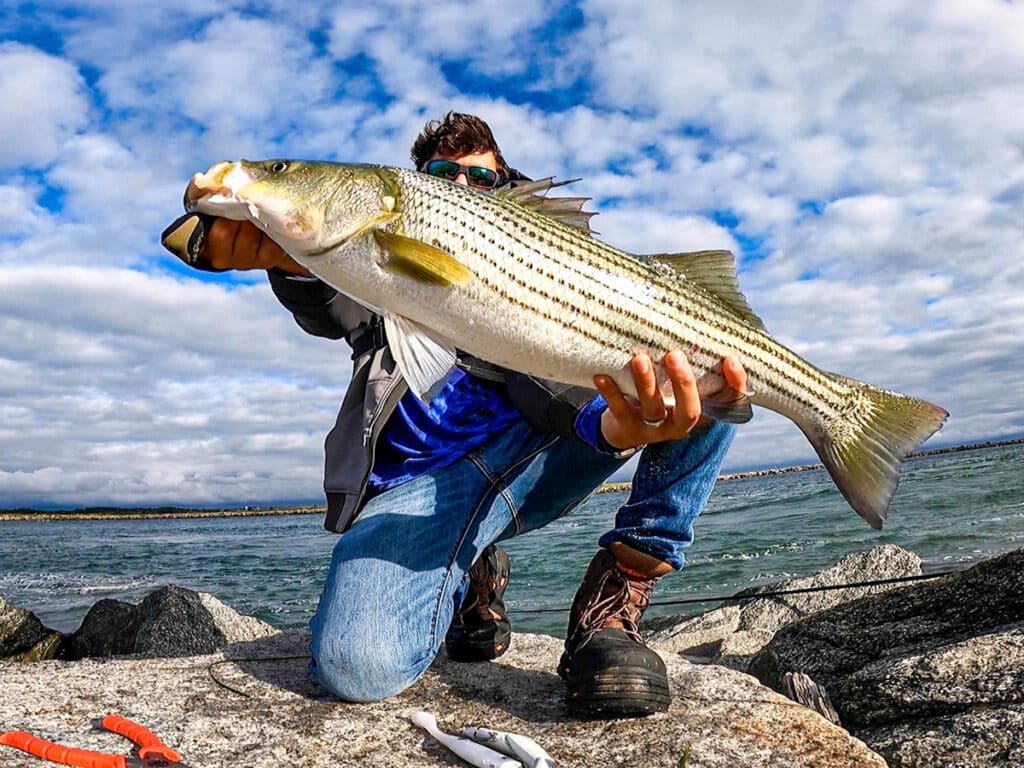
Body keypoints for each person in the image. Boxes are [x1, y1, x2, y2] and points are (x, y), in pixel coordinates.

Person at [164, 112, 745, 718]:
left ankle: (614, 601)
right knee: (356, 667)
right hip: (414, 487)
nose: (461, 187)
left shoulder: (531, 267)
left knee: (708, 372)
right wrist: (287, 259)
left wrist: (618, 428)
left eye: (482, 179)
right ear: (412, 187)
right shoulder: (367, 275)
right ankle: (471, 574)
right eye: (444, 173)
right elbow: (332, 307)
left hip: (528, 463)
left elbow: (563, 387)